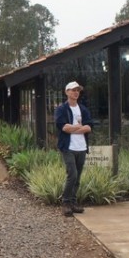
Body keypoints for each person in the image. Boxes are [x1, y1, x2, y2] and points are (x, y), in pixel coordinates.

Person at [55, 81, 93, 216]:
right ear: (67, 92)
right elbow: (63, 127)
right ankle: (65, 202)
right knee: (72, 174)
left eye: (77, 90)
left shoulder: (83, 109)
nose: (76, 92)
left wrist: (73, 128)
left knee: (78, 177)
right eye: (73, 90)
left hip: (81, 147)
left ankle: (73, 202)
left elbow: (89, 127)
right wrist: (79, 127)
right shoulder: (61, 109)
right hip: (68, 147)